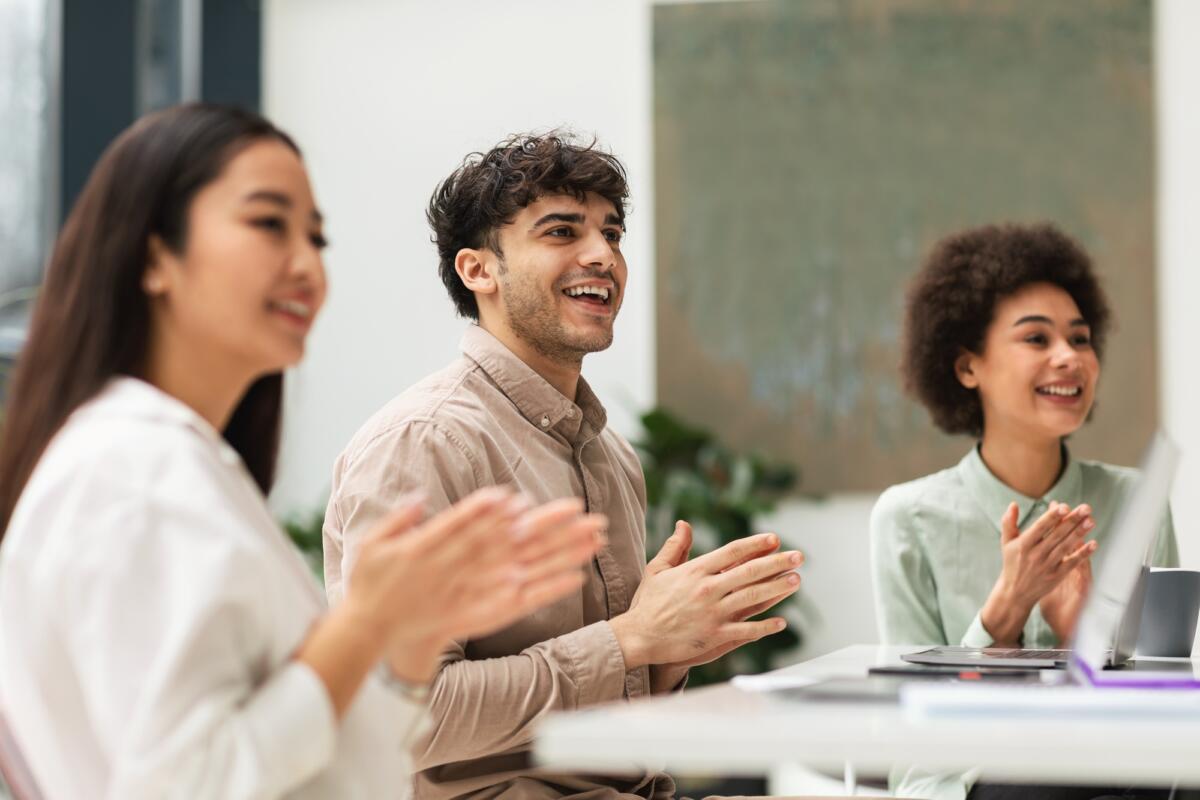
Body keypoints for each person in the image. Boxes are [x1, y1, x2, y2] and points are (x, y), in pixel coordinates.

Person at [0, 104, 603, 799]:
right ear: (153, 255)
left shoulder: (180, 463)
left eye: (316, 238)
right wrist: (364, 625)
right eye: (267, 223)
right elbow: (189, 785)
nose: (307, 266)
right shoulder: (133, 474)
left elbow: (337, 769)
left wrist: (400, 647)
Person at [323, 133, 805, 799]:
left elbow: (616, 691)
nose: (602, 255)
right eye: (561, 231)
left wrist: (667, 653)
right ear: (478, 270)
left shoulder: (611, 454)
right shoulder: (423, 444)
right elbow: (401, 718)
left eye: (612, 233)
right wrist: (630, 641)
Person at [870, 222, 1178, 800]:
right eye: (1037, 339)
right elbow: (913, 743)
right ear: (967, 368)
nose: (1070, 358)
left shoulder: (1139, 503)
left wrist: (1084, 639)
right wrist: (1001, 615)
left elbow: (1168, 721)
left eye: (1081, 339)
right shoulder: (907, 519)